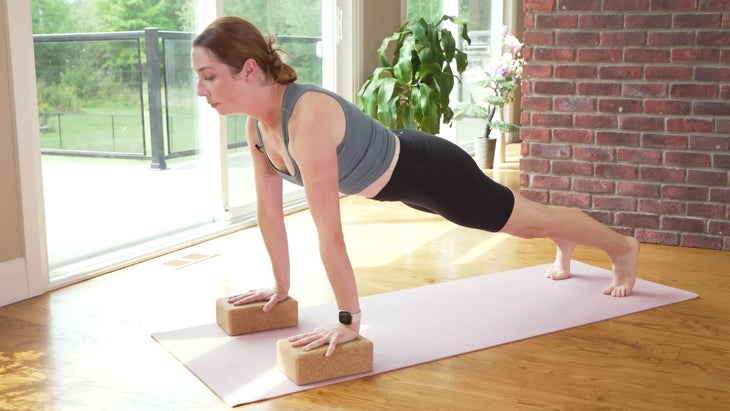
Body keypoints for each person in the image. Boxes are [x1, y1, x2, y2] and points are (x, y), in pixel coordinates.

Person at [192, 16, 640, 357]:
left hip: (430, 172)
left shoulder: (305, 119)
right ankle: (564, 238)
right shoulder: (257, 129)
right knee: (529, 221)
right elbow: (270, 215)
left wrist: (349, 321)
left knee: (525, 223)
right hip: (404, 182)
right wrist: (280, 286)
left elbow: (330, 234)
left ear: (248, 69)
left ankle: (622, 248)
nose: (200, 89)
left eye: (209, 75)